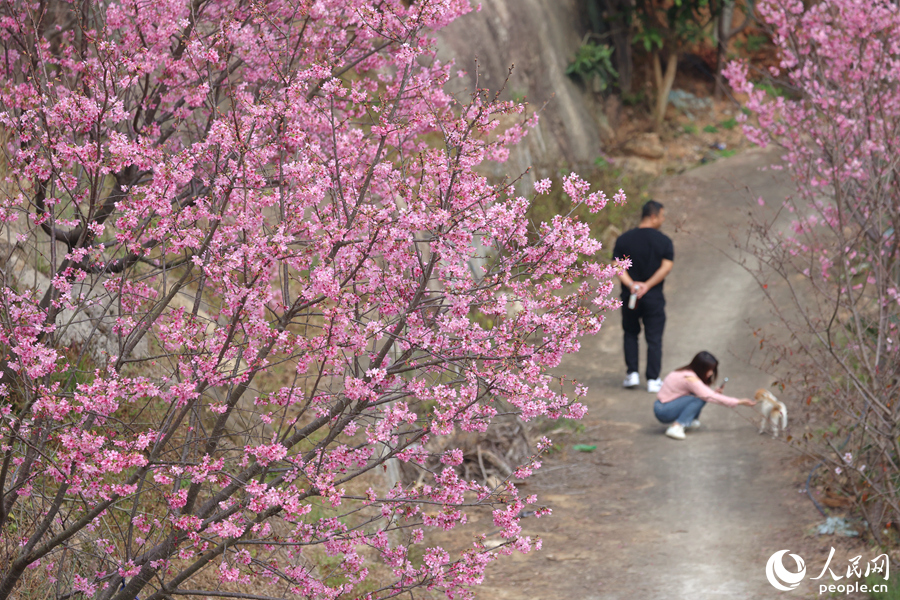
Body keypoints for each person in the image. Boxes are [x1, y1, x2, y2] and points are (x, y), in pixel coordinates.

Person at [613, 200, 674, 393]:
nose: (663, 220)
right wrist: (647, 285)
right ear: (654, 216)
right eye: (662, 216)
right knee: (654, 337)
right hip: (653, 296)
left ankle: (632, 374)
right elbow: (666, 267)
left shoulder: (624, 239)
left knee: (630, 333)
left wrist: (632, 284)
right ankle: (653, 379)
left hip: (630, 294)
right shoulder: (664, 241)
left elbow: (617, 266)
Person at [653, 351, 756, 440]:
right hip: (663, 410)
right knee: (700, 398)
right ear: (701, 367)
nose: (711, 373)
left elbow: (704, 392)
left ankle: (688, 420)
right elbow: (709, 396)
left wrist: (713, 393)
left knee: (701, 395)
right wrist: (739, 402)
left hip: (663, 406)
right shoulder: (690, 378)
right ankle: (677, 426)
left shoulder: (687, 372)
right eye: (709, 369)